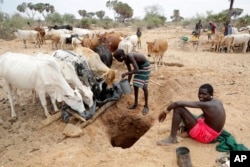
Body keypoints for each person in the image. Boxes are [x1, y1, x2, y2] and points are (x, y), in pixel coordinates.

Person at [157, 83, 226, 145]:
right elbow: (207, 115)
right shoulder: (217, 101)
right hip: (213, 134)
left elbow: (177, 103)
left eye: (204, 94)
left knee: (178, 109)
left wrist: (165, 112)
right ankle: (187, 133)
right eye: (199, 93)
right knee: (197, 117)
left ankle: (172, 138)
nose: (201, 96)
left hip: (206, 136)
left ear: (211, 95)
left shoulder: (206, 104)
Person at [113, 49, 151, 115]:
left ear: (121, 56)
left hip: (145, 66)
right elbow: (130, 72)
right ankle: (135, 104)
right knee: (135, 85)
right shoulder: (126, 61)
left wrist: (126, 73)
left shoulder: (130, 56)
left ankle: (146, 106)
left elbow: (136, 70)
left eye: (117, 59)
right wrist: (127, 83)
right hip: (139, 67)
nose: (117, 60)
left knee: (144, 87)